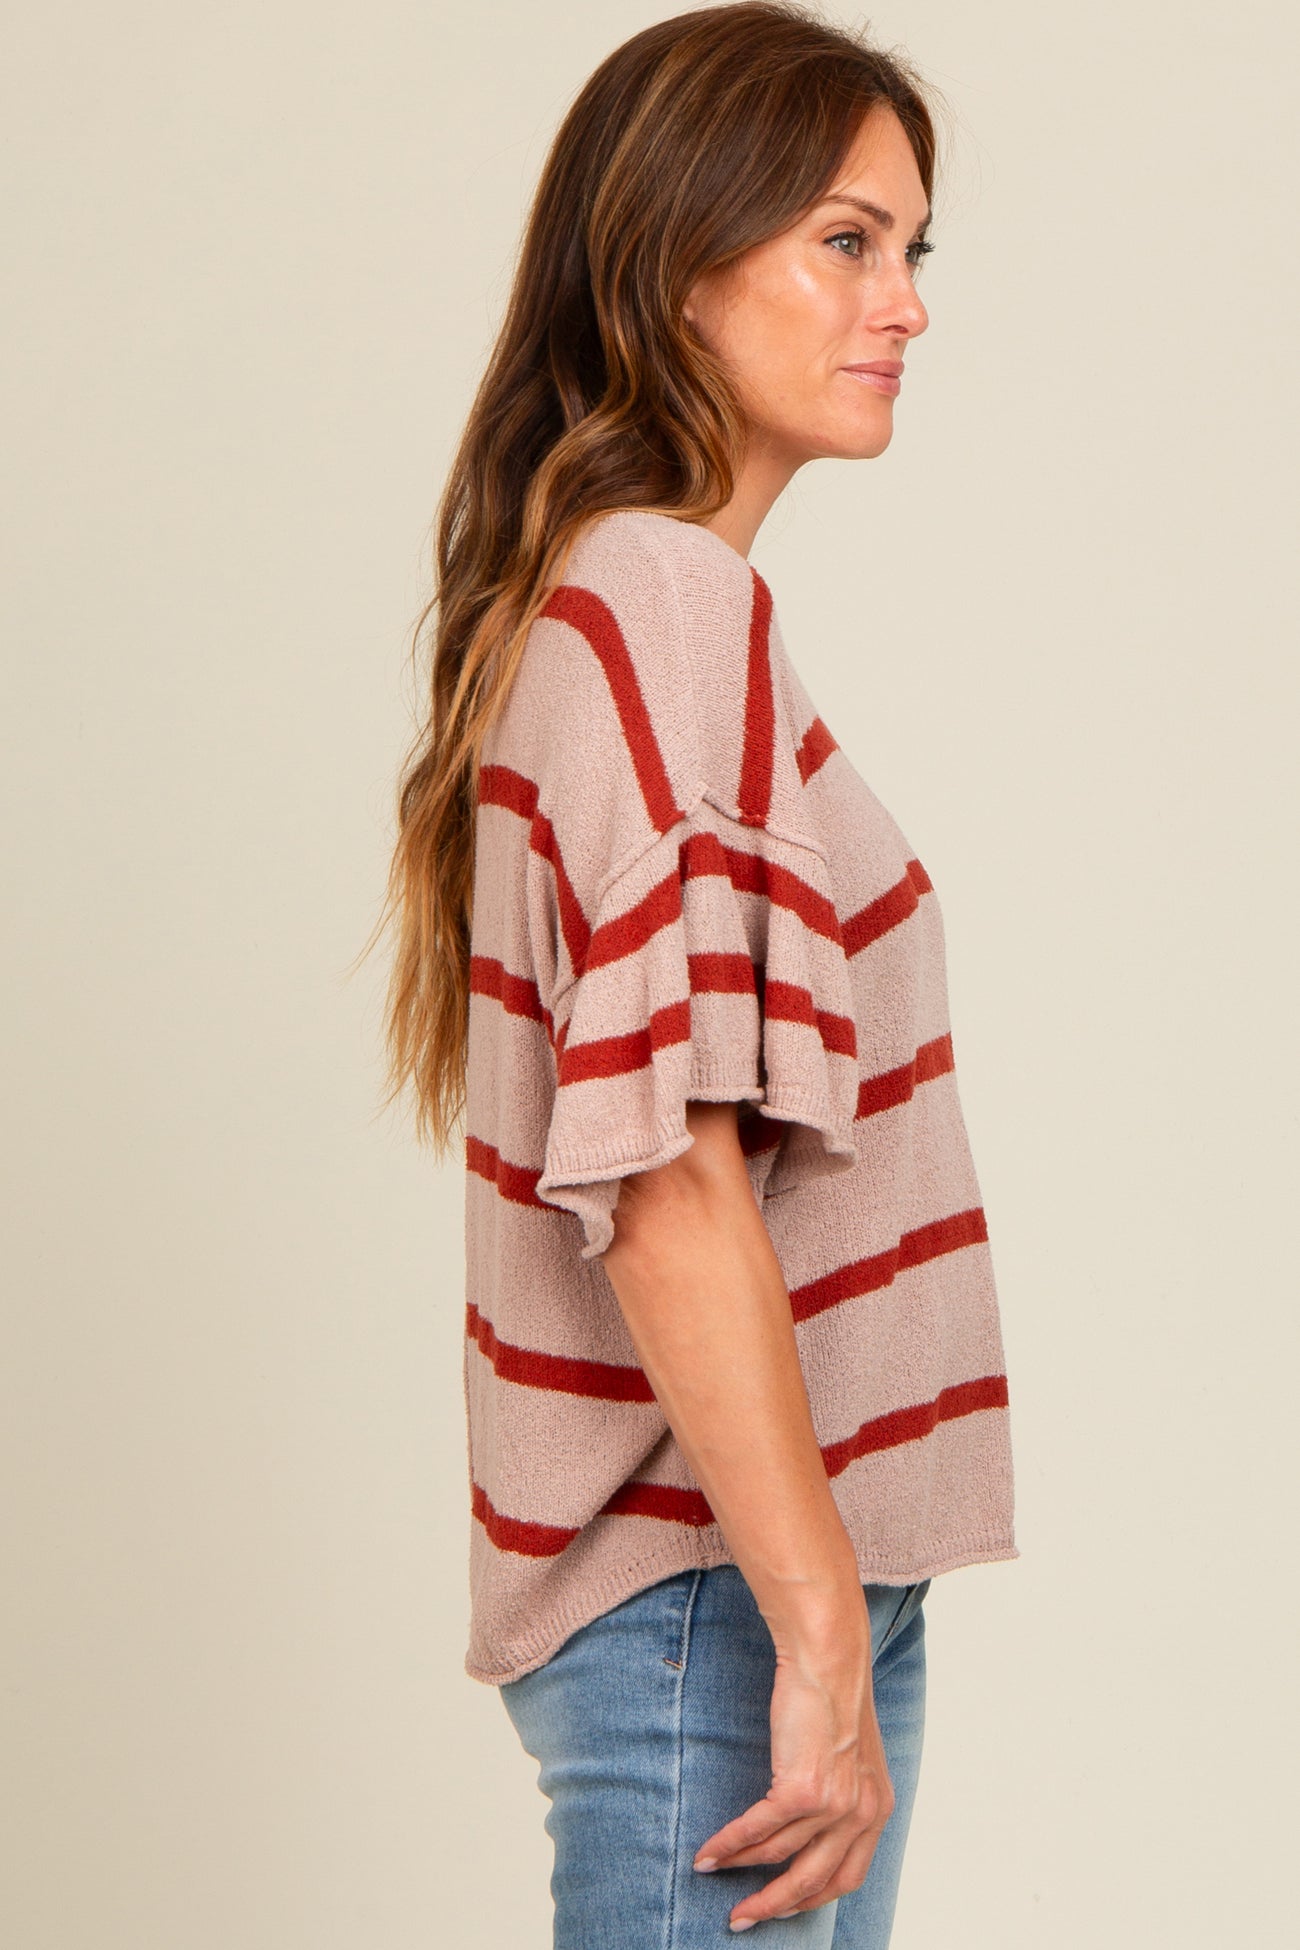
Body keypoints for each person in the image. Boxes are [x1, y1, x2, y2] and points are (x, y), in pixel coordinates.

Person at [378, 5, 1018, 1943]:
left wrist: (829, 1609)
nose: (903, 303)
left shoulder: (624, 605)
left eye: (910, 248)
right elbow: (663, 1183)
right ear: (674, 264)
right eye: (844, 241)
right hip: (716, 1602)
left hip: (754, 1584)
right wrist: (812, 1625)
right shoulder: (658, 598)